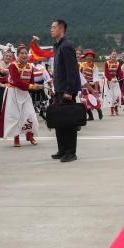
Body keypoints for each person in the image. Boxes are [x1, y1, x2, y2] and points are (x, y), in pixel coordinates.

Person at [49, 19, 79, 162]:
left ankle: (71, 152)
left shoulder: (66, 46)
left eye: (54, 27)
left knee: (68, 122)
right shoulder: (57, 46)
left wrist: (69, 90)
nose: (51, 29)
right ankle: (62, 150)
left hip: (66, 90)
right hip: (59, 89)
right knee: (59, 121)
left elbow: (72, 70)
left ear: (61, 29)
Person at [0, 44, 40, 146]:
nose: (24, 55)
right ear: (17, 55)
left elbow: (31, 81)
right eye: (22, 53)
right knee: (14, 116)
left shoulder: (31, 67)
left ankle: (30, 135)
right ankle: (16, 138)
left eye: (26, 53)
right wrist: (32, 86)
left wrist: (36, 86)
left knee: (30, 114)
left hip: (25, 93)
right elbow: (17, 82)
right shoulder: (13, 66)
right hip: (13, 92)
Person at [103, 50, 123, 116]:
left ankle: (116, 108)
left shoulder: (118, 63)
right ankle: (112, 110)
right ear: (110, 55)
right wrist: (110, 79)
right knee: (110, 95)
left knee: (117, 95)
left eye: (115, 54)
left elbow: (119, 73)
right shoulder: (107, 63)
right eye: (113, 54)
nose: (114, 56)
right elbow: (106, 73)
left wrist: (122, 77)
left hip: (115, 80)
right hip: (109, 81)